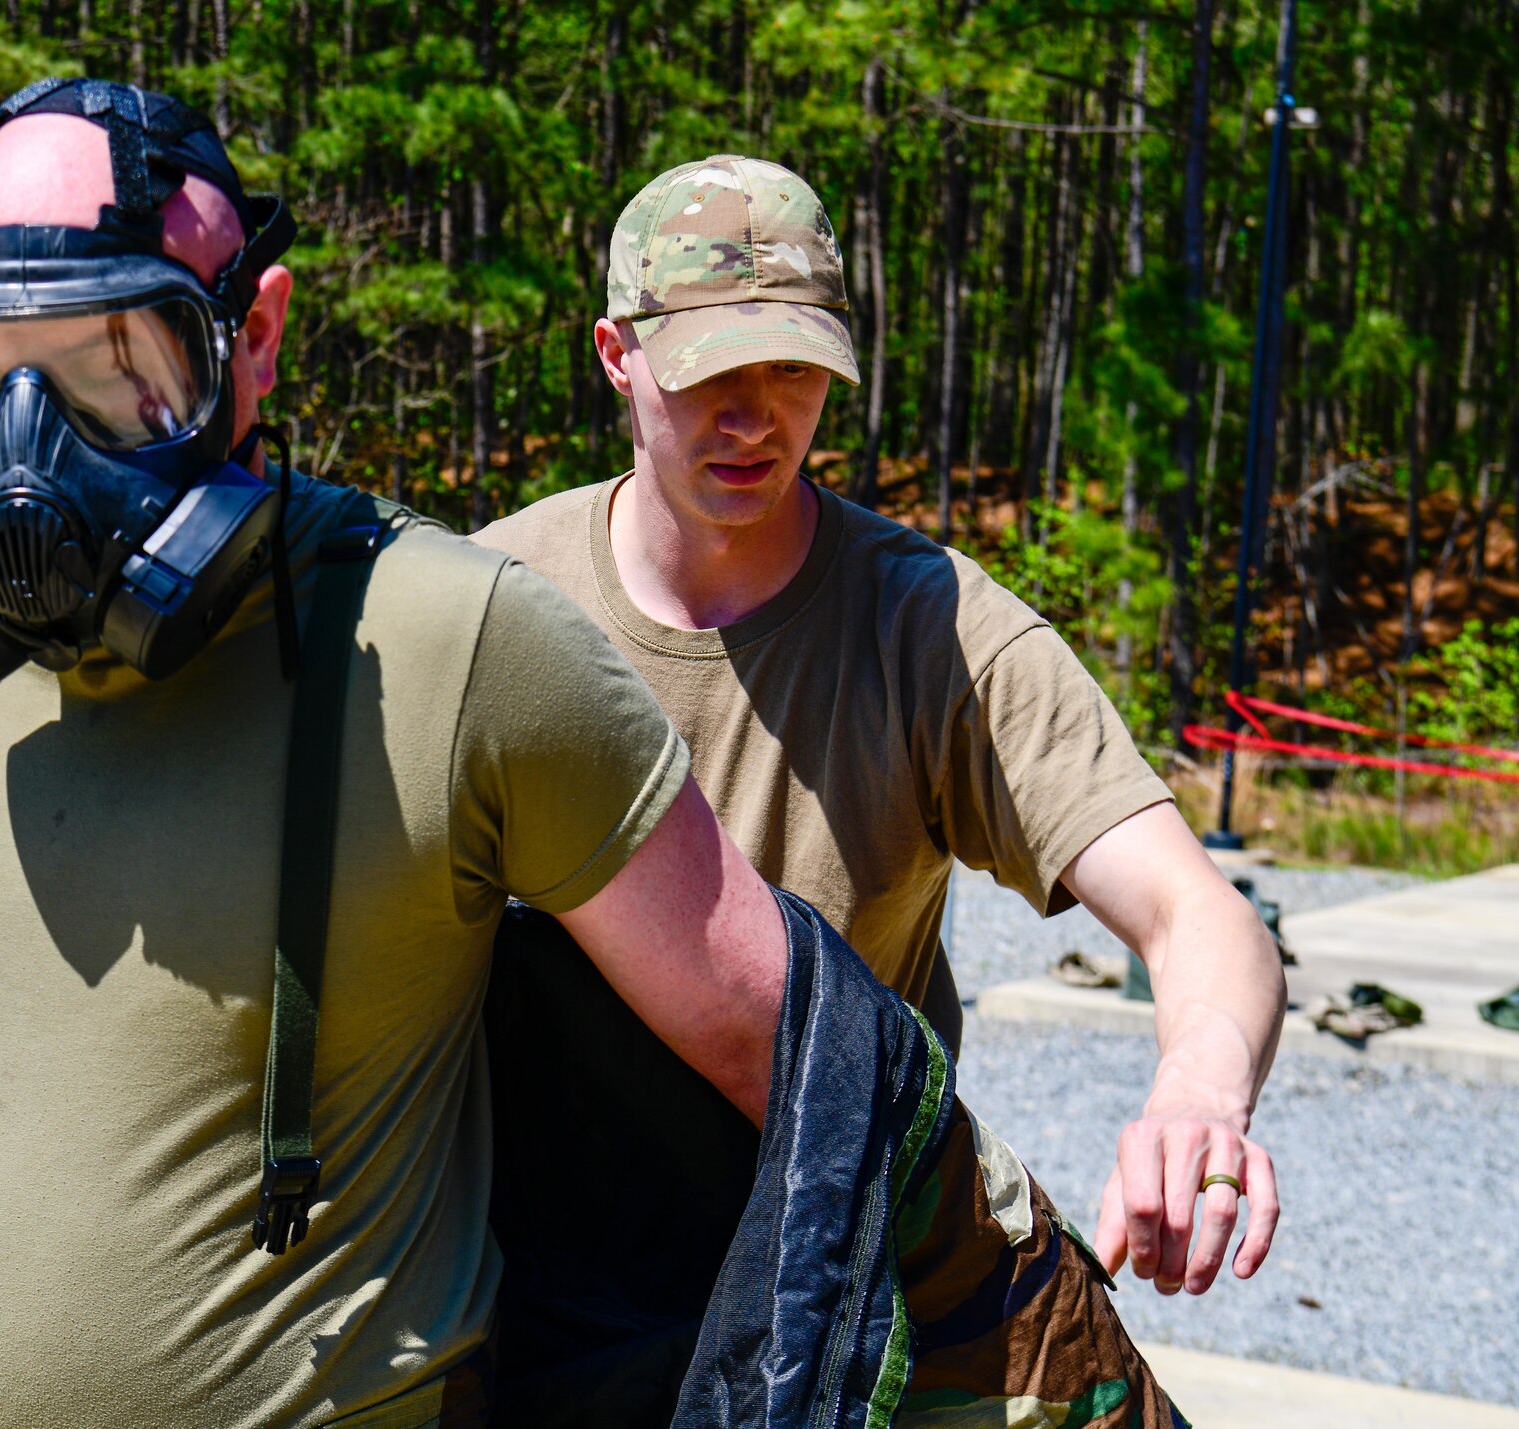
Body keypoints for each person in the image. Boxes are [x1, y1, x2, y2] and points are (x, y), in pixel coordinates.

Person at [0, 83, 795, 1429]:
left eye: (116, 369)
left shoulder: (456, 638)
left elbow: (797, 1059)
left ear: (254, 335)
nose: (27, 464)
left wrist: (1032, 1359)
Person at [474, 154, 1286, 1305]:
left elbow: (1194, 909)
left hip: (826, 1269)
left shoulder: (933, 629)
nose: (754, 415)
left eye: (793, 369)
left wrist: (1196, 1095)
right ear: (616, 356)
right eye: (709, 369)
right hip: (534, 1268)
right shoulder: (494, 602)